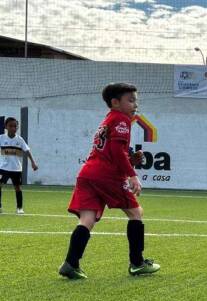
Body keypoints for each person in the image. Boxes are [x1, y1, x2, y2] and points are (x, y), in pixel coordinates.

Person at [58, 82, 160, 279]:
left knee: (86, 219)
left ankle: (70, 263)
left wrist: (129, 160)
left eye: (135, 101)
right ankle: (137, 263)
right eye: (130, 101)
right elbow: (114, 152)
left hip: (88, 174)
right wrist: (132, 174)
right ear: (115, 102)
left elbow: (110, 152)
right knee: (136, 212)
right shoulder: (121, 119)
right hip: (107, 176)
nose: (135, 105)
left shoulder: (108, 120)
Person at [0, 117, 38, 214]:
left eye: (15, 126)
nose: (13, 128)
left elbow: (27, 151)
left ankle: (19, 208)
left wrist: (33, 162)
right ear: (6, 127)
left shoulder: (19, 139)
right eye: (10, 126)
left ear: (17, 127)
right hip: (3, 168)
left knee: (17, 188)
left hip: (16, 169)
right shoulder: (1, 138)